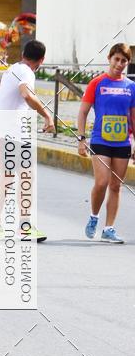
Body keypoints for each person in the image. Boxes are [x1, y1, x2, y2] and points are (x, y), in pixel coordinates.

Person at [0, 40, 54, 241]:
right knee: (16, 179)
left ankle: (10, 226)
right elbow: (26, 95)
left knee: (15, 179)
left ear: (23, 53)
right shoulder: (26, 72)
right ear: (41, 60)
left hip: (5, 131)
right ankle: (8, 226)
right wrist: (47, 115)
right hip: (8, 133)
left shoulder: (12, 69)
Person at [77, 43, 135, 243]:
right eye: (116, 59)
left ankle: (108, 229)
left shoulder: (131, 86)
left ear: (128, 63)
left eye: (124, 61)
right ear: (110, 58)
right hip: (100, 140)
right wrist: (81, 139)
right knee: (101, 183)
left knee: (116, 186)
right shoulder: (97, 83)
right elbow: (83, 112)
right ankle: (94, 216)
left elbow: (133, 118)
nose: (120, 64)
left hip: (122, 143)